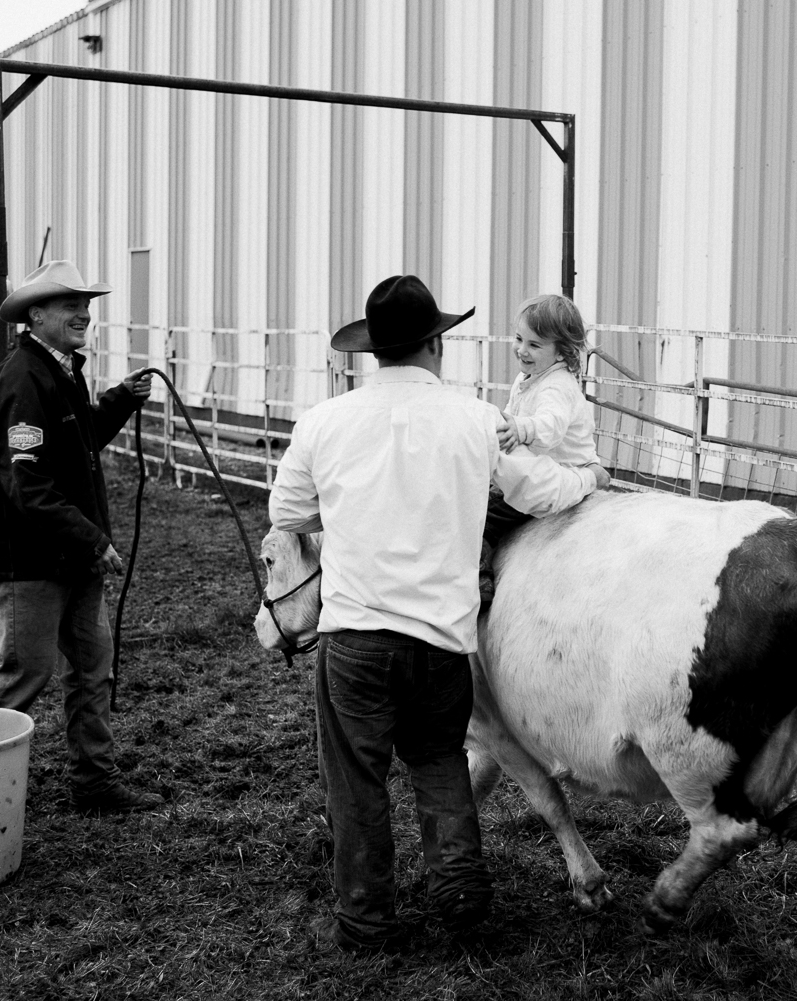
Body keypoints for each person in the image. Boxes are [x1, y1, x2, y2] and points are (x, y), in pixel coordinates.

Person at [268, 274, 609, 952]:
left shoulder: (323, 421)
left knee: (357, 777)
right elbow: (541, 493)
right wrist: (590, 477)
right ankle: (459, 888)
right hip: (440, 638)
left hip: (355, 637)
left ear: (373, 351)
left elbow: (288, 514)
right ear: (435, 344)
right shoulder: (477, 418)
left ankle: (367, 916)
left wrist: (346, 510)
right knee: (439, 761)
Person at [0, 260, 161, 815]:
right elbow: (25, 483)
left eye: (86, 304)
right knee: (22, 675)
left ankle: (94, 782)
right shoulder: (21, 379)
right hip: (32, 561)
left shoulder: (60, 370)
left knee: (92, 669)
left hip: (71, 556)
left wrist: (120, 398)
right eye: (69, 304)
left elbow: (79, 442)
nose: (84, 313)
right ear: (37, 314)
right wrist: (92, 539)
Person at [480, 293, 600, 605]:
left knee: (483, 516)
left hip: (562, 474)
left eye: (534, 345)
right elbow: (514, 414)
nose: (522, 350)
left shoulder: (556, 386)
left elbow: (550, 427)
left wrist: (521, 428)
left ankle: (478, 578)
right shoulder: (528, 378)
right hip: (539, 468)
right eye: (519, 339)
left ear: (562, 351)